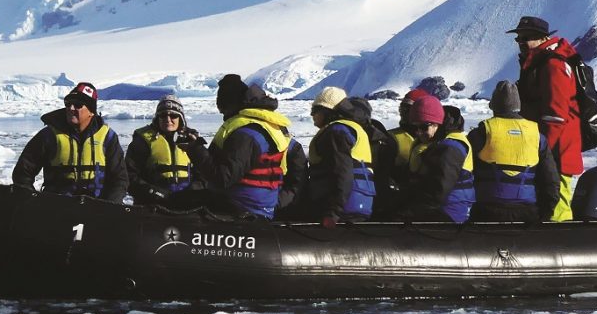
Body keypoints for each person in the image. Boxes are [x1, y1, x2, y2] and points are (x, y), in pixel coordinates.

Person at [179, 74, 292, 219]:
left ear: (229, 104)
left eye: (222, 107)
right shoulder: (265, 125)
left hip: (243, 207)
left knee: (176, 203)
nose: (221, 112)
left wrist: (195, 149)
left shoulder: (245, 134)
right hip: (260, 203)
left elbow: (223, 178)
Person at [511, 15, 583, 221]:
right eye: (519, 39)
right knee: (548, 200)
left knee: (557, 203)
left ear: (543, 38)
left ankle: (562, 237)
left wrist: (543, 152)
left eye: (527, 38)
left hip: (557, 150)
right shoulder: (537, 63)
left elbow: (556, 116)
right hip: (549, 147)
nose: (522, 43)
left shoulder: (553, 65)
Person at [11, 82, 128, 201]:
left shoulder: (107, 137)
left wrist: (109, 206)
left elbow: (119, 178)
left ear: (91, 111)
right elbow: (22, 173)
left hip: (96, 207)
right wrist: (32, 201)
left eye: (78, 105)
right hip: (56, 207)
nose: (71, 108)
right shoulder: (49, 136)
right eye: (68, 104)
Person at [467, 81, 559, 222]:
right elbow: (550, 179)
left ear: (494, 106)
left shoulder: (482, 132)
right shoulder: (536, 136)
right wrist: (545, 213)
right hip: (527, 212)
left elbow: (463, 171)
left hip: (487, 210)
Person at [298, 86, 377, 221]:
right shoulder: (351, 128)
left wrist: (334, 211)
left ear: (327, 111)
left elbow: (343, 172)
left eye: (315, 110)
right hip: (359, 200)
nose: (312, 115)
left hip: (341, 208)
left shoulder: (336, 132)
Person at [395, 90, 474, 223]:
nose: (419, 132)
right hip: (435, 209)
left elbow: (439, 190)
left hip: (449, 212)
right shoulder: (434, 143)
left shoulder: (451, 147)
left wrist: (409, 211)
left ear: (437, 123)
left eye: (423, 127)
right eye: (415, 128)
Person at [127, 95, 198, 203]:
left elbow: (205, 174)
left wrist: (194, 189)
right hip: (152, 204)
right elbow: (129, 175)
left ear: (181, 118)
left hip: (187, 202)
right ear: (157, 118)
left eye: (173, 115)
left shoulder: (192, 140)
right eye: (163, 115)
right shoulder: (142, 142)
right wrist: (152, 192)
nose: (168, 119)